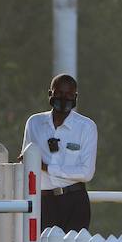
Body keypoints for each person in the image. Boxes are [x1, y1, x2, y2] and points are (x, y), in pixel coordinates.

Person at [22, 73, 97, 232]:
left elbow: (86, 173)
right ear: (50, 94)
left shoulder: (86, 126)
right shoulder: (34, 123)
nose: (64, 98)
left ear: (75, 97)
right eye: (59, 93)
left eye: (69, 95)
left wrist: (47, 167)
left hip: (74, 200)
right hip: (43, 201)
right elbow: (27, 161)